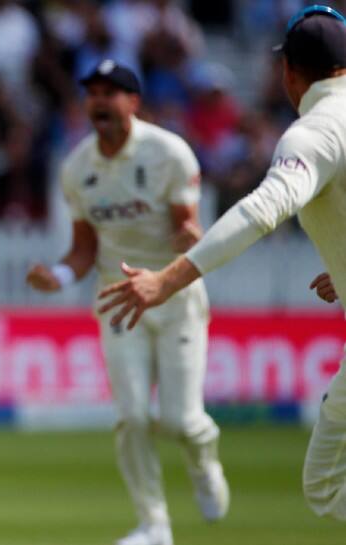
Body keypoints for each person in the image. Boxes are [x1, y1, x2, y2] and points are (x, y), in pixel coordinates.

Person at [97, 5, 346, 522]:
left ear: (288, 74)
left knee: (325, 485)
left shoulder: (314, 131)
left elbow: (261, 210)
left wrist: (170, 276)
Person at [26, 59, 228, 545]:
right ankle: (154, 525)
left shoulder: (169, 153)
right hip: (117, 302)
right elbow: (83, 250)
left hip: (174, 295)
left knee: (181, 421)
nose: (98, 100)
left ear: (132, 103)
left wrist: (189, 237)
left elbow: (189, 227)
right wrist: (57, 274)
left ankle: (204, 457)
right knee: (132, 416)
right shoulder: (78, 168)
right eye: (92, 92)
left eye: (109, 92)